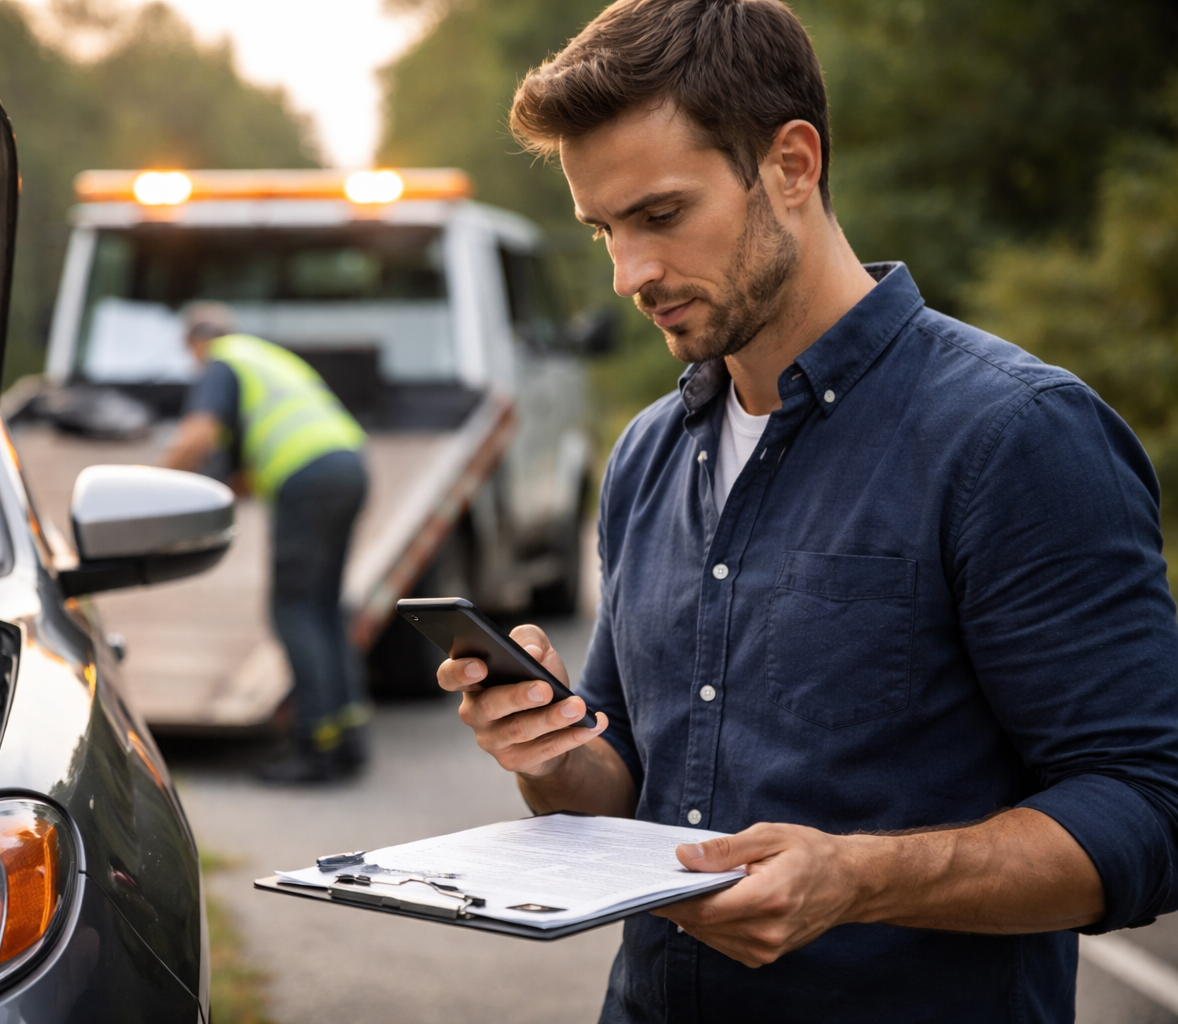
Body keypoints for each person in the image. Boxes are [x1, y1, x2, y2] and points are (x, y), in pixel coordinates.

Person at [437, 2, 1178, 1021]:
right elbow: (632, 788)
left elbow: (1151, 808)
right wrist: (555, 754)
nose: (629, 275)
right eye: (605, 230)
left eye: (661, 215)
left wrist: (859, 879)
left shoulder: (1015, 436)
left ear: (791, 164)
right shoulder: (647, 454)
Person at [161, 303, 371, 782]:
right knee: (325, 606)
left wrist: (151, 485)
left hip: (308, 475)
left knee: (293, 609)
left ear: (193, 343)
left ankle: (313, 745)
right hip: (348, 465)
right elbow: (244, 473)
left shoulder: (221, 362)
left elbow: (197, 437)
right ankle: (347, 739)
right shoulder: (264, 359)